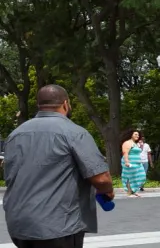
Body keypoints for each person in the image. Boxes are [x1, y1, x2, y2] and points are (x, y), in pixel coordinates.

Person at [2, 84, 115, 248]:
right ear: (65, 104)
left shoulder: (15, 134)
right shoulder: (74, 132)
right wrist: (107, 191)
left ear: (39, 105)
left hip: (19, 224)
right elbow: (102, 179)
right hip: (58, 226)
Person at [120, 130, 146, 196]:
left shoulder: (136, 143)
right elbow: (125, 153)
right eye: (135, 134)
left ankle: (134, 190)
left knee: (141, 176)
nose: (137, 136)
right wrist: (126, 162)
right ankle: (129, 192)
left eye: (138, 135)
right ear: (131, 135)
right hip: (129, 162)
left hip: (137, 163)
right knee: (129, 177)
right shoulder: (127, 143)